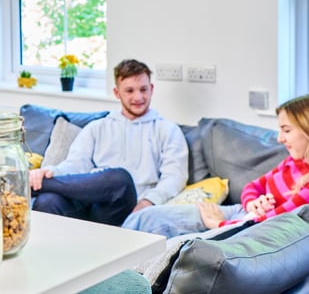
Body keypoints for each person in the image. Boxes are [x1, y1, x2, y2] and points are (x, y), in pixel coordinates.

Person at [122, 94, 309, 238]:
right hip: (241, 212)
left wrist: (217, 224)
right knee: (146, 218)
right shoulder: (293, 162)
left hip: (243, 226)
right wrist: (252, 202)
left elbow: (265, 225)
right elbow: (253, 187)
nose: (279, 138)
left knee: (154, 227)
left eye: (286, 130)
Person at [28, 59, 189, 226]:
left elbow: (175, 177)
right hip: (88, 203)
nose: (138, 97)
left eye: (143, 89)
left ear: (152, 89)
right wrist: (50, 172)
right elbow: (75, 165)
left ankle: (31, 186)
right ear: (117, 93)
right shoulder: (97, 127)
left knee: (120, 179)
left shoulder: (167, 130)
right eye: (129, 91)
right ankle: (43, 187)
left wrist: (149, 201)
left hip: (126, 207)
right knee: (48, 201)